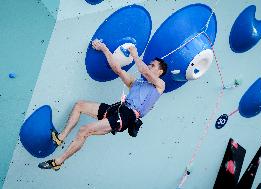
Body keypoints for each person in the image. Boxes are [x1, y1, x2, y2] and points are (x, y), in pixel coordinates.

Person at [38, 39, 167, 171]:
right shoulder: (136, 82)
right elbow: (117, 69)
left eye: (153, 65)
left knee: (84, 130)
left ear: (160, 72)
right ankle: (60, 137)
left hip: (127, 116)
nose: (149, 66)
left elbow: (144, 71)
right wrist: (104, 48)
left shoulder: (160, 86)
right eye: (149, 64)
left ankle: (58, 161)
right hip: (118, 109)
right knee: (79, 105)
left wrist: (134, 54)